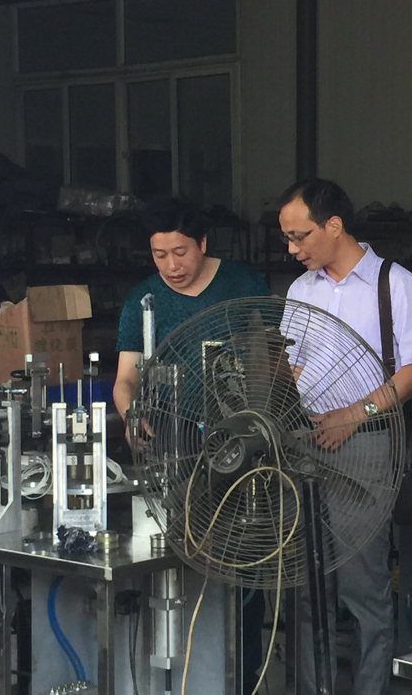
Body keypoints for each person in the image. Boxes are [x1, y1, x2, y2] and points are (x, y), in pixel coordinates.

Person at [278, 178, 412, 695]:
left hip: (366, 445)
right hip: (305, 444)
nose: (292, 249)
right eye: (288, 238)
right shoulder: (301, 290)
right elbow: (294, 367)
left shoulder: (395, 284)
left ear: (334, 226)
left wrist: (353, 414)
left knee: (362, 589)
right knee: (306, 588)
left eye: (299, 237)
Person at [112, 196, 271, 695]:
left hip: (240, 443)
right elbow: (125, 379)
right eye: (159, 255)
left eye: (180, 253)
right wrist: (132, 413)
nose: (171, 266)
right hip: (173, 445)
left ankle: (242, 676)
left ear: (203, 243)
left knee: (242, 560)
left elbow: (271, 358)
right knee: (176, 558)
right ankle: (182, 676)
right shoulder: (142, 300)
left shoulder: (243, 284)